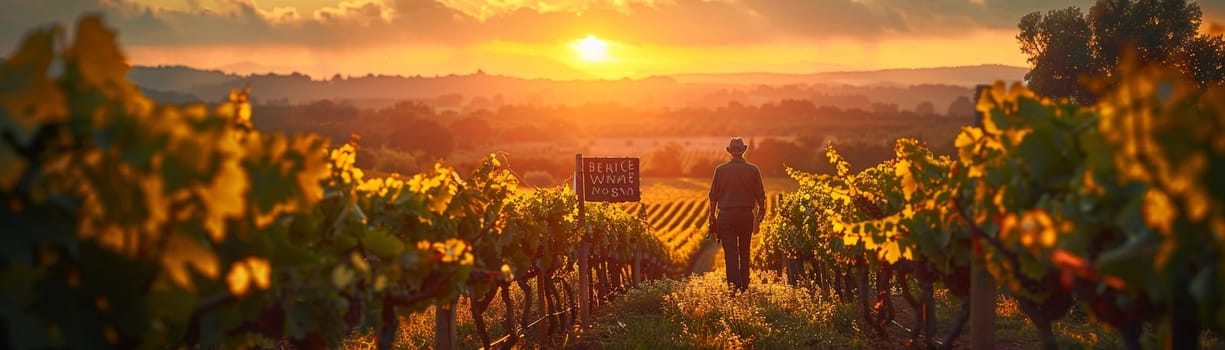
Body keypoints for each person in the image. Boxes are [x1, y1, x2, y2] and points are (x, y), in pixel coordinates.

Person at [708, 137, 765, 291]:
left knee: (730, 253)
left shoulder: (720, 170)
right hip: (746, 216)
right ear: (743, 151)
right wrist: (761, 213)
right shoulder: (753, 170)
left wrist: (711, 216)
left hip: (726, 216)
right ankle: (744, 286)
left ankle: (734, 287)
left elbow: (713, 196)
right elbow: (760, 195)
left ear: (730, 152)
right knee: (745, 251)